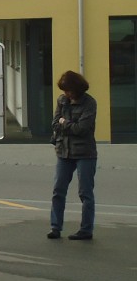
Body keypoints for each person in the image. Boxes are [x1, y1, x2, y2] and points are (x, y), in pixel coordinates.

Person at [48, 70, 98, 240]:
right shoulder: (62, 101)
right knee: (58, 190)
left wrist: (65, 122)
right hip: (64, 152)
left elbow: (81, 129)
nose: (65, 94)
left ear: (76, 89)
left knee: (85, 193)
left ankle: (86, 230)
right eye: (64, 90)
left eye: (68, 90)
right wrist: (66, 123)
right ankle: (55, 227)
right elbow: (55, 123)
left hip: (85, 153)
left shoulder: (89, 103)